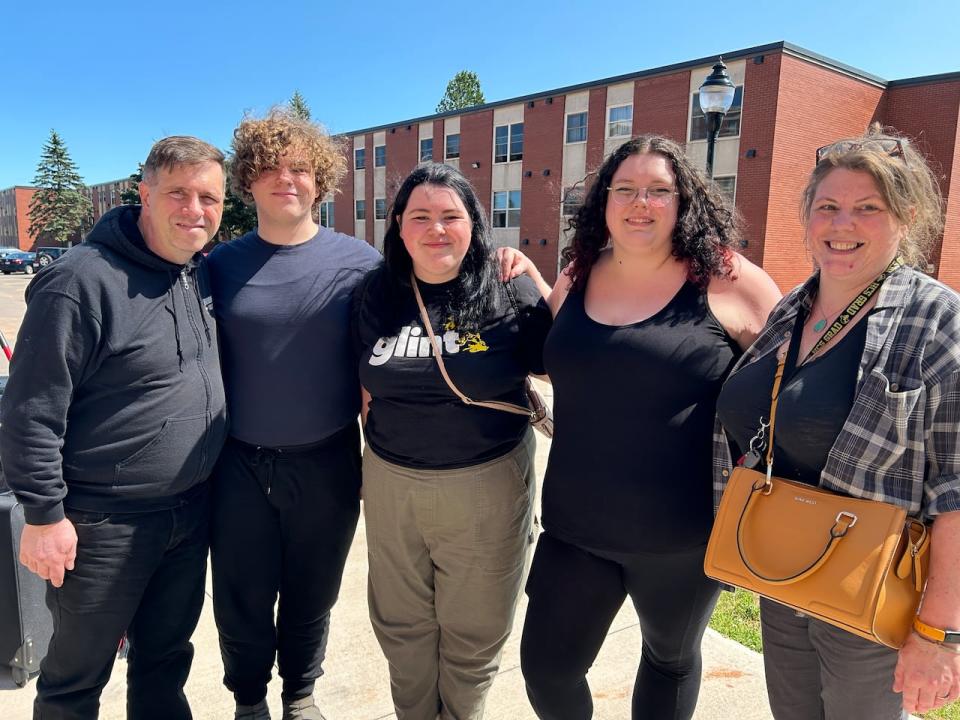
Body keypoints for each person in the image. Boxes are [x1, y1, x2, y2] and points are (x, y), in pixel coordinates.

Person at [519, 134, 781, 720]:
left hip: (683, 537)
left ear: (684, 200)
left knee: (669, 660)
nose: (643, 203)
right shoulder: (575, 276)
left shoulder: (730, 280)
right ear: (604, 201)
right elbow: (562, 356)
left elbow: (789, 384)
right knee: (547, 670)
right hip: (572, 528)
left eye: (660, 190)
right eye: (627, 189)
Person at [715, 127, 960, 719]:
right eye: (827, 207)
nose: (841, 224)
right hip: (782, 571)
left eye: (866, 209)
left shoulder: (938, 321)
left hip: (871, 595)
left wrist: (939, 635)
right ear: (807, 218)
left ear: (905, 217)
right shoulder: (791, 308)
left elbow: (956, 492)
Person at [0, 136, 229, 719]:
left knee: (164, 662)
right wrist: (44, 516)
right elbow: (30, 411)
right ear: (143, 194)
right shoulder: (80, 282)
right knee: (76, 680)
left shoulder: (195, 274)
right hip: (102, 524)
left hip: (186, 514)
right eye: (178, 192)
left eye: (209, 197)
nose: (195, 210)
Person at [352, 162, 552, 720]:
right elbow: (361, 384)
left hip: (486, 480)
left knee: (476, 628)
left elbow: (562, 365)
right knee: (401, 624)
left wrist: (538, 280)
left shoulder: (505, 284)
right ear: (397, 225)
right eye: (420, 216)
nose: (436, 229)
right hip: (392, 480)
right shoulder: (374, 292)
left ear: (474, 224)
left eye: (450, 216)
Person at [206, 109, 381, 720]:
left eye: (302, 168)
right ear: (248, 180)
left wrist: (508, 266)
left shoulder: (359, 262)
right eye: (272, 168)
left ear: (321, 181)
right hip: (238, 463)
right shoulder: (216, 267)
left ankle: (300, 696)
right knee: (241, 596)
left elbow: (423, 304)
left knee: (312, 594)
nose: (288, 179)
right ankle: (249, 700)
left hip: (327, 458)